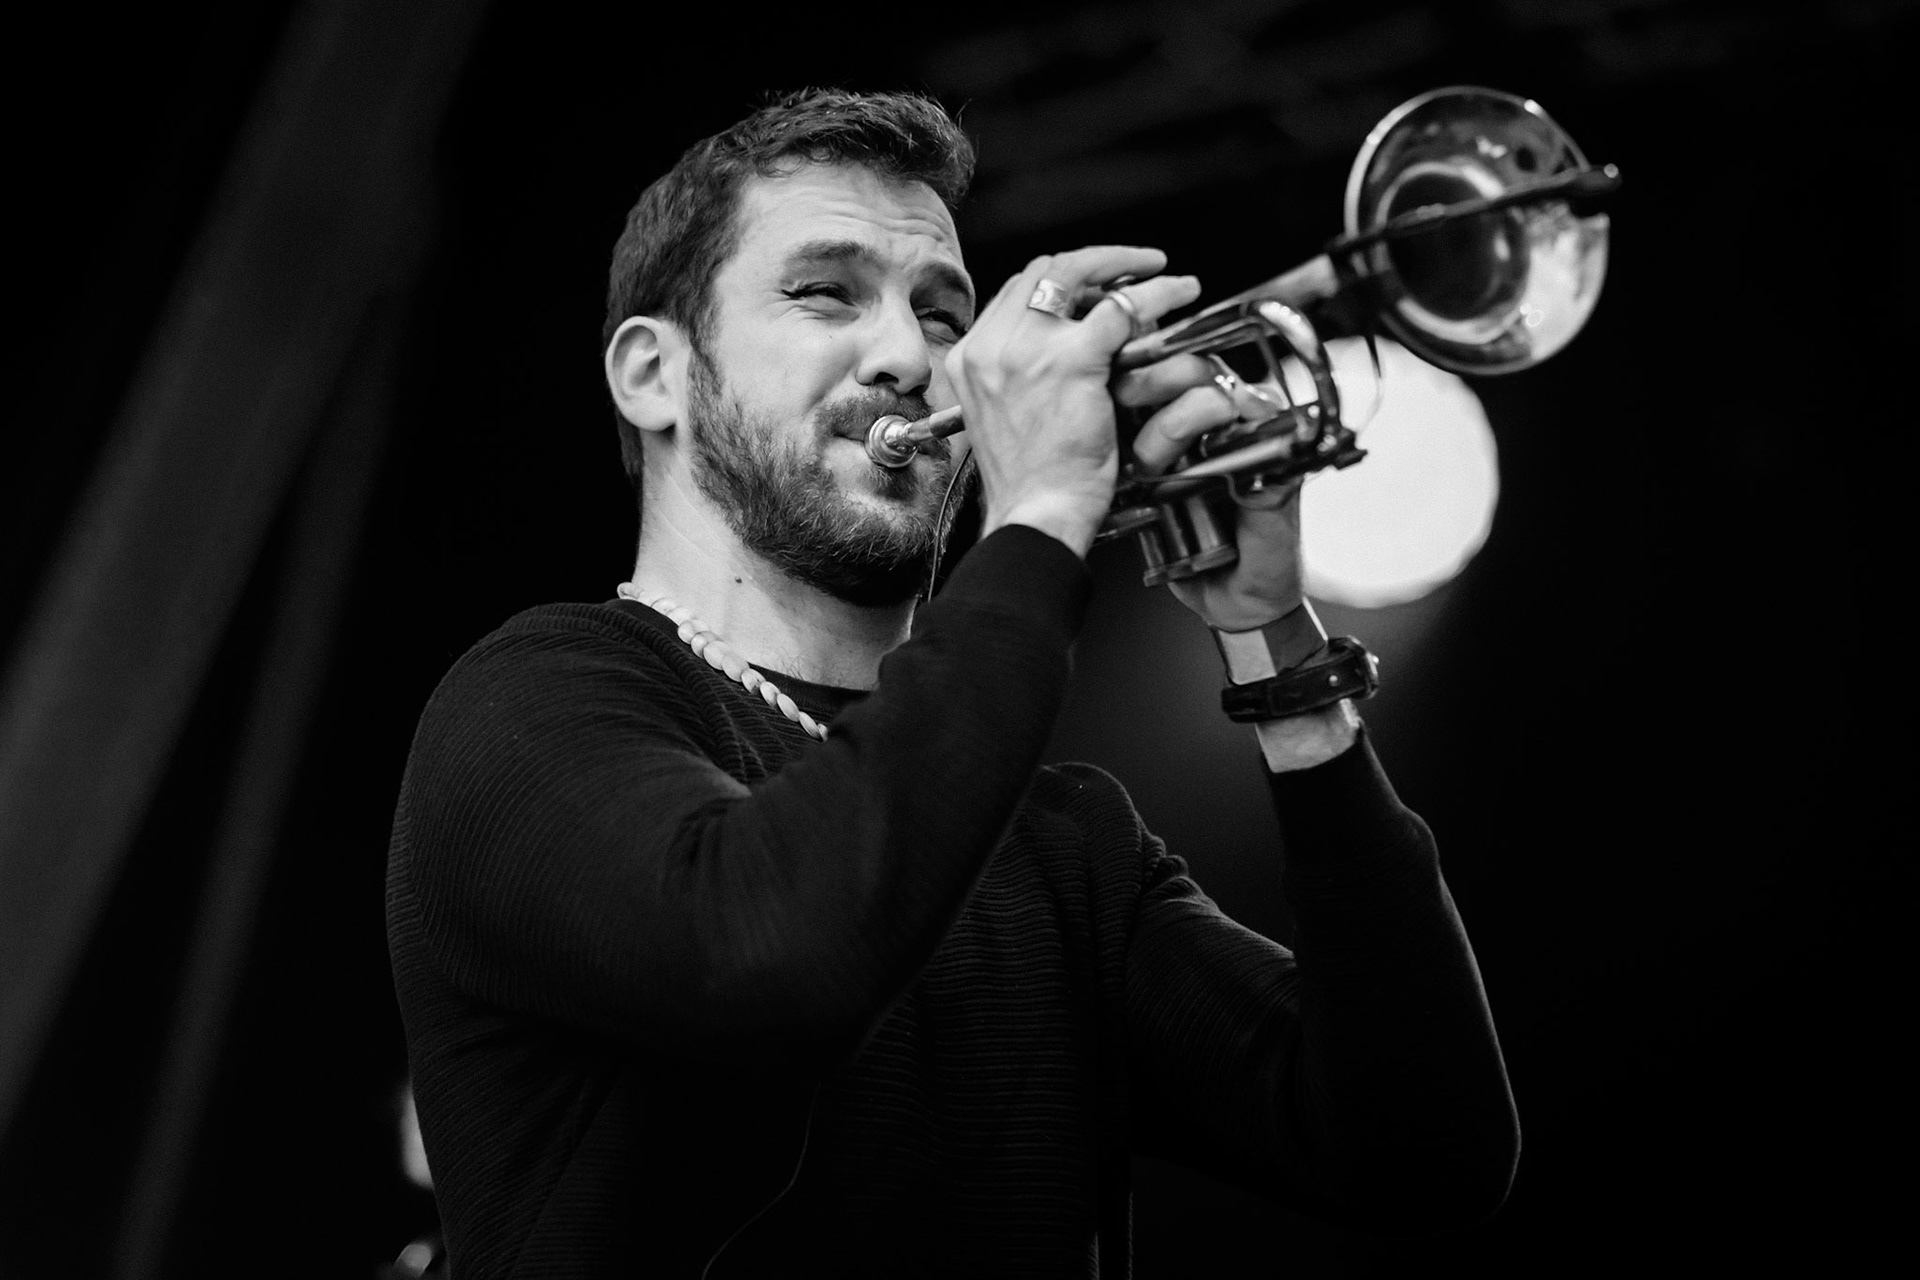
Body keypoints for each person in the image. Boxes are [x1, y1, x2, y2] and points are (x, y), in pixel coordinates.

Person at [386, 88, 1519, 1278]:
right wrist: (1038, 517)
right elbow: (770, 951)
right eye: (827, 291)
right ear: (651, 375)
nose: (909, 358)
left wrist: (1273, 639)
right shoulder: (533, 701)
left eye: (943, 313)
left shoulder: (1065, 843)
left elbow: (1422, 1153)